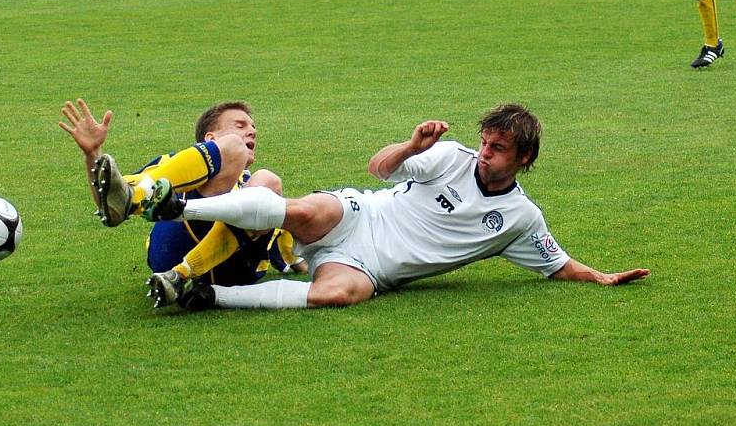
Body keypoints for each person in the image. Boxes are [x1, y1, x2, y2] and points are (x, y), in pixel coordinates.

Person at [133, 104, 650, 310]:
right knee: (303, 212)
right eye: (485, 143)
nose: (485, 153)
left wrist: (601, 278)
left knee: (337, 296)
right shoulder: (448, 155)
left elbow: (557, 264)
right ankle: (176, 205)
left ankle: (206, 295)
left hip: (371, 266)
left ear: (524, 158)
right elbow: (378, 169)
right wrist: (410, 148)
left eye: (497, 150)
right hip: (362, 213)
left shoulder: (519, 220)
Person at [59, 99, 305, 310]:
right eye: (240, 125)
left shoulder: (258, 187)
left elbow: (288, 247)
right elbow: (111, 198)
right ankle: (143, 213)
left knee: (267, 181)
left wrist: (310, 262)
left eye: (253, 128)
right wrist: (93, 154)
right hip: (174, 247)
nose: (251, 132)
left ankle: (178, 278)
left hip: (235, 270)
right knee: (250, 167)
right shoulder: (174, 166)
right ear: (210, 138)